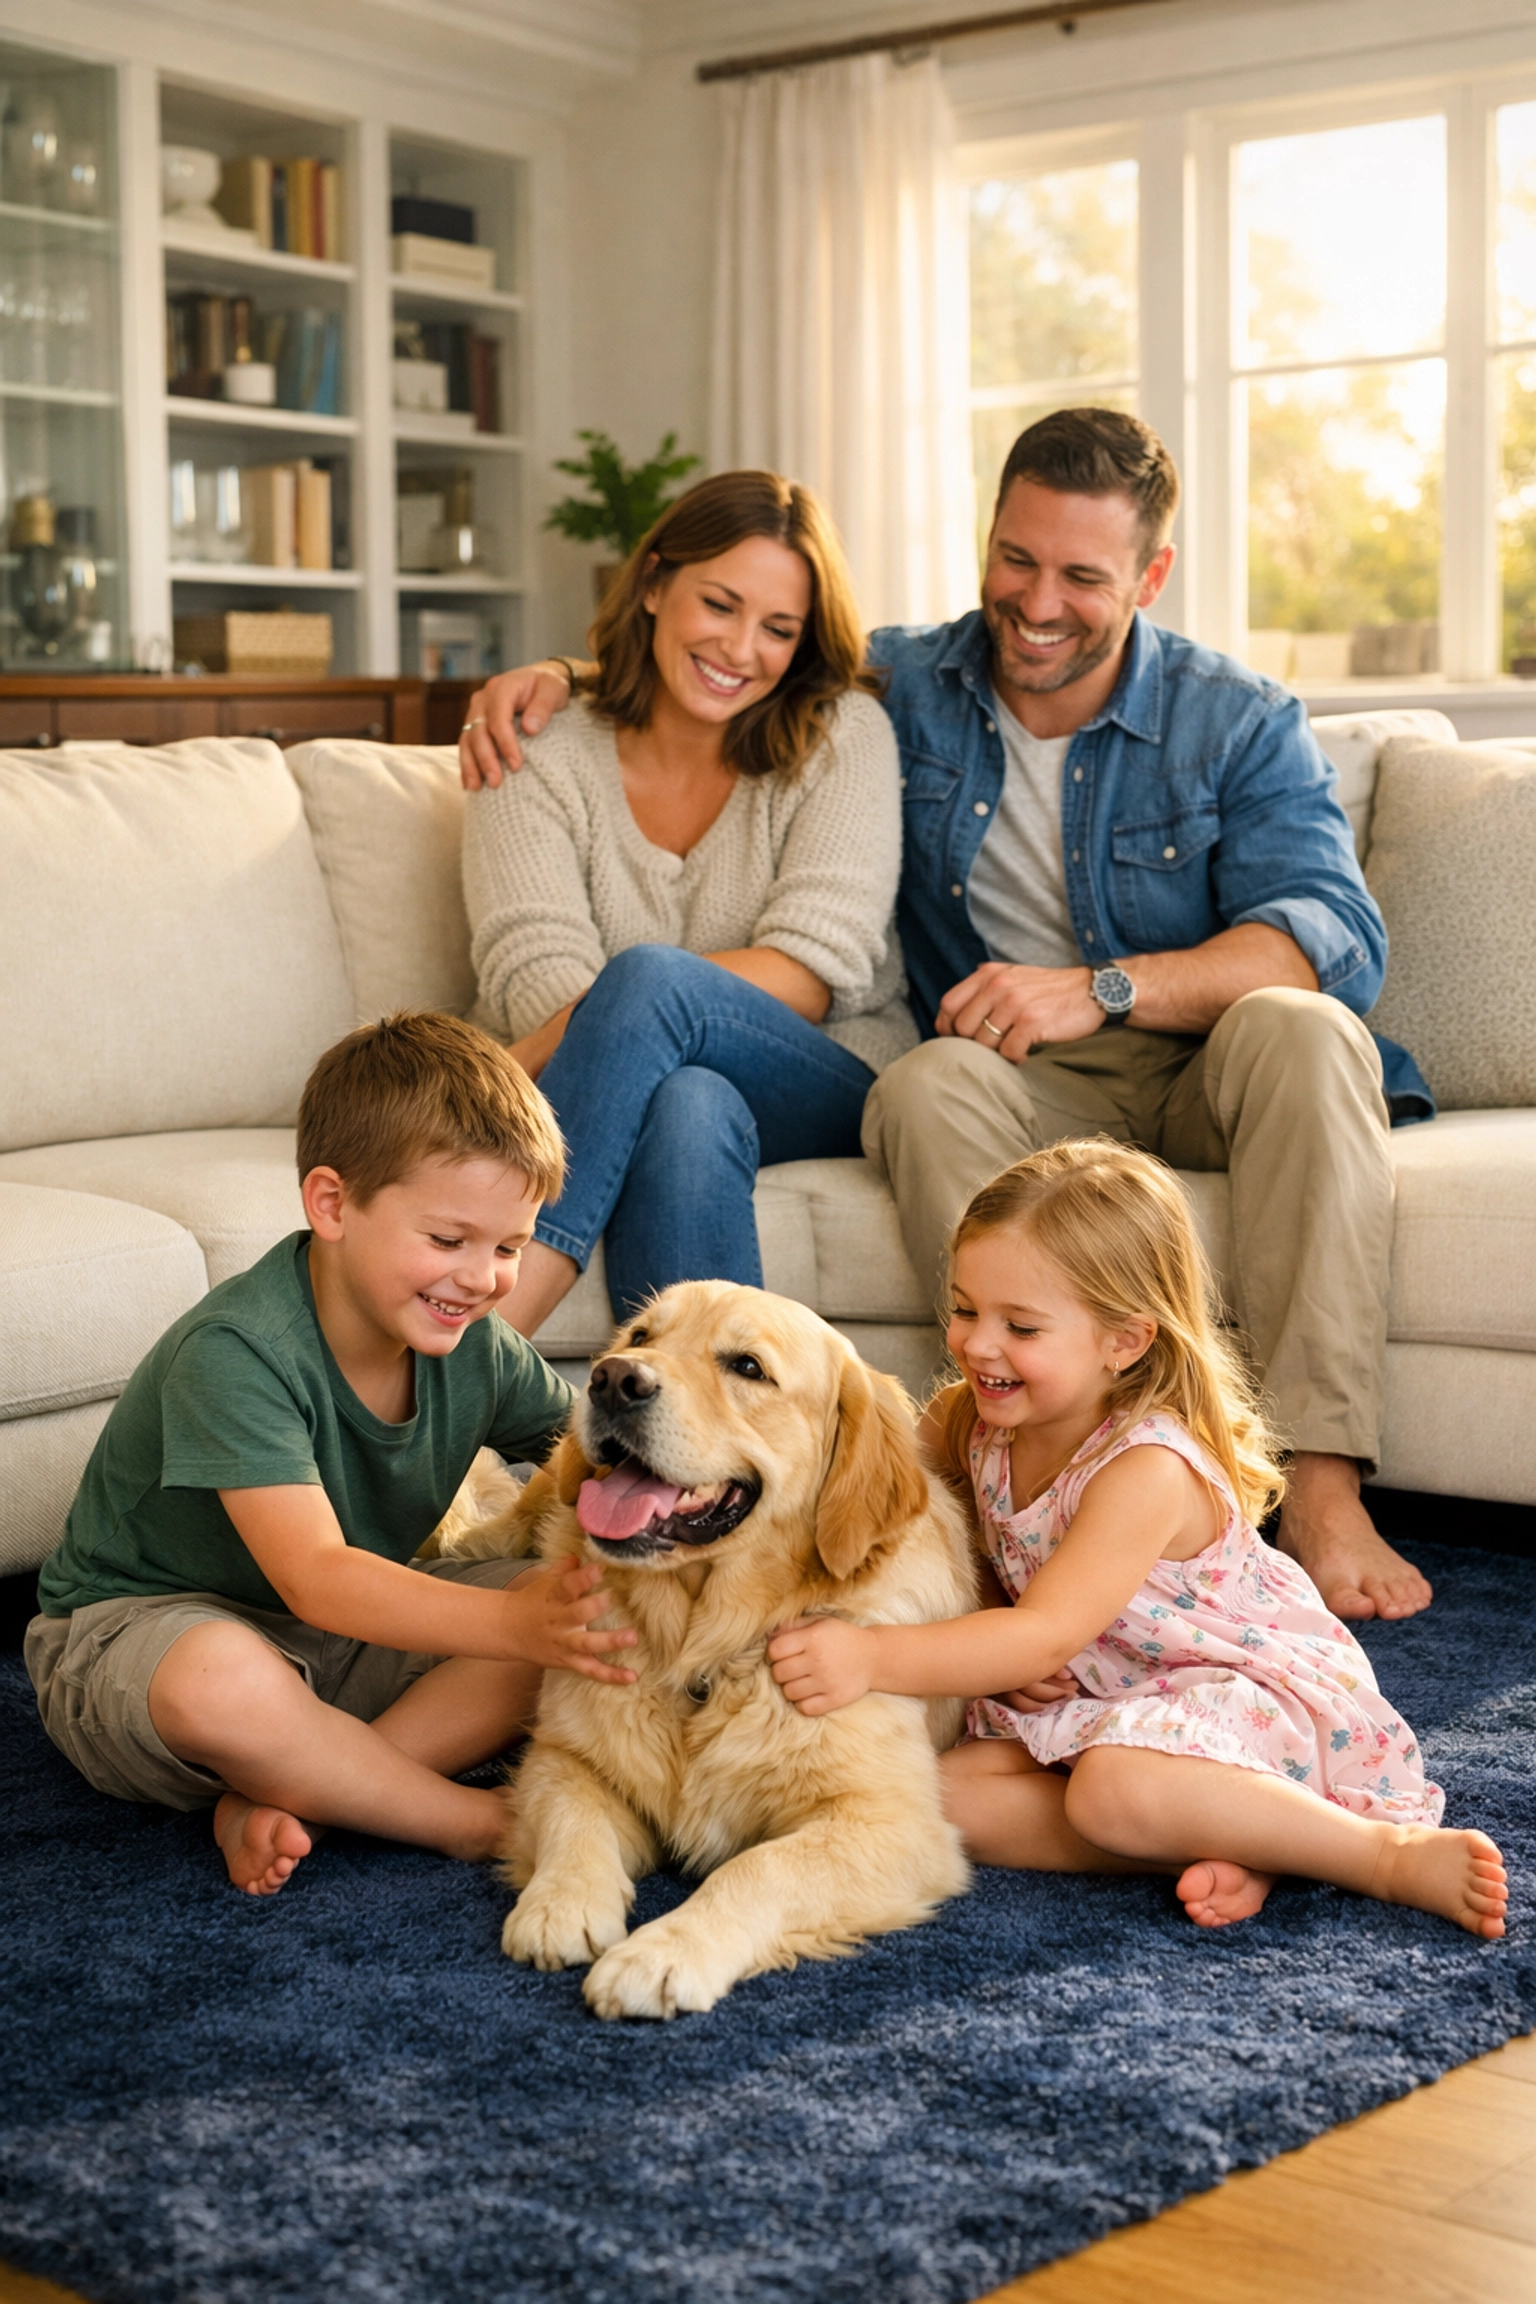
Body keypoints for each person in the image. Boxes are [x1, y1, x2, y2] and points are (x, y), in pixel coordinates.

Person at [459, 409, 1427, 1626]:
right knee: (916, 1080)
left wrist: (1103, 985)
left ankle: (1326, 1496)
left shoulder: (1235, 718)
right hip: (1017, 1071)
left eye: (1082, 576)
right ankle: (993, 1482)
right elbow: (742, 662)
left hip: (1205, 1058)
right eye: (1016, 560)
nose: (1038, 603)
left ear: (1150, 575)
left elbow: (1331, 935)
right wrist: (564, 676)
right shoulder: (907, 686)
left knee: (1307, 1026)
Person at [767, 1142, 1508, 1941]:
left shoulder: (1143, 1467)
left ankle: (1373, 1854)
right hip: (1102, 1696)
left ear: (1124, 1340)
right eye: (965, 1309)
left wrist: (873, 1658)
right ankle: (1238, 1834)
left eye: (1020, 1325)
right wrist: (993, 1655)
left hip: (1229, 1692)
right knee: (932, 1795)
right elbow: (946, 1548)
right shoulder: (962, 1421)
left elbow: (1041, 1632)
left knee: (1108, 1793)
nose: (980, 1344)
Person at [24, 1012, 637, 1898]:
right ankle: (462, 1821)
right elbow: (315, 1575)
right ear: (332, 1204)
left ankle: (310, 1793)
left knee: (587, 1617)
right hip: (145, 1639)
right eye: (448, 1240)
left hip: (342, 1644)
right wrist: (510, 1624)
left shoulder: (479, 1348)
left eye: (509, 1247)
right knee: (221, 1677)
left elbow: (591, 1452)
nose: (483, 1278)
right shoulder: (239, 1349)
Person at [460, 468, 916, 1336]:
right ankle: (699, 1457)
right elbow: (535, 979)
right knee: (685, 1105)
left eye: (779, 628)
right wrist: (628, 1017)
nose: (742, 649)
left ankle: (494, 1334)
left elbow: (811, 972)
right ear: (655, 583)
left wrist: (550, 1047)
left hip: (819, 1070)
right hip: (625, 1083)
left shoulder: (841, 736)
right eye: (720, 604)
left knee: (649, 982)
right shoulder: (535, 745)